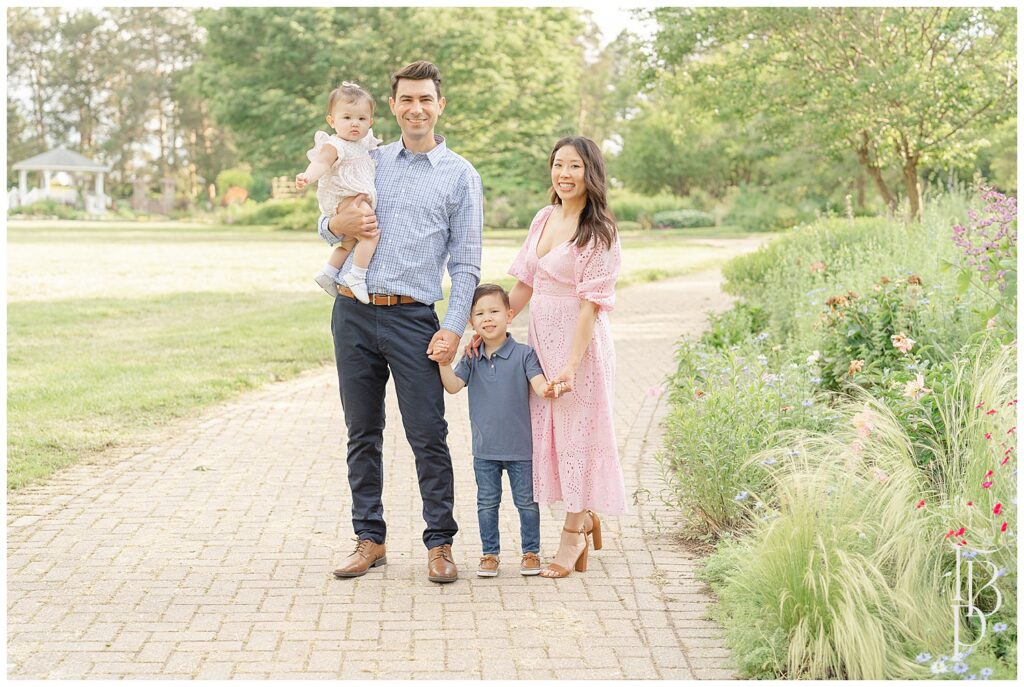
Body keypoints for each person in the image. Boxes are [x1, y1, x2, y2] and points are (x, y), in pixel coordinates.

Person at [320, 61, 483, 584]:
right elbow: (332, 221)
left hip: (415, 319)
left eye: (426, 99)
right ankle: (370, 538)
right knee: (362, 432)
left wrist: (454, 328)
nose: (416, 108)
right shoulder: (367, 158)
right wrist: (331, 225)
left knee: (428, 434)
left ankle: (440, 543)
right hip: (352, 310)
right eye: (406, 99)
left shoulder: (461, 175)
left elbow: (466, 264)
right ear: (391, 106)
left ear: (440, 106)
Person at [504, 136, 625, 578]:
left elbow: (591, 306)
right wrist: (494, 327)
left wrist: (572, 366)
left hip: (581, 346)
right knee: (551, 434)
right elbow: (523, 283)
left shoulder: (600, 232)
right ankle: (584, 515)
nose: (565, 174)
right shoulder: (543, 218)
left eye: (574, 166)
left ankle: (573, 533)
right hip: (542, 339)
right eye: (558, 165)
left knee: (580, 434)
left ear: (590, 173)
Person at [435, 284, 558, 577]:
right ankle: (489, 554)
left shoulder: (525, 354)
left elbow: (539, 384)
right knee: (487, 504)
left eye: (494, 311)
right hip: (485, 450)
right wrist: (443, 364)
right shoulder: (471, 357)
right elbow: (453, 387)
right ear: (471, 322)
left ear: (509, 315)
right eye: (479, 313)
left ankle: (531, 552)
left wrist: (549, 388)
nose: (487, 318)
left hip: (520, 449)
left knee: (526, 504)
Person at [296, 81, 381, 302]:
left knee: (349, 242)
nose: (355, 124)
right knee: (370, 231)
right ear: (332, 121)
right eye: (347, 118)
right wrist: (308, 175)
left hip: (355, 195)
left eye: (361, 119)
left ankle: (328, 272)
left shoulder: (363, 143)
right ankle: (357, 275)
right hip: (344, 196)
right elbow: (322, 163)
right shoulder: (335, 145)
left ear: (370, 122)